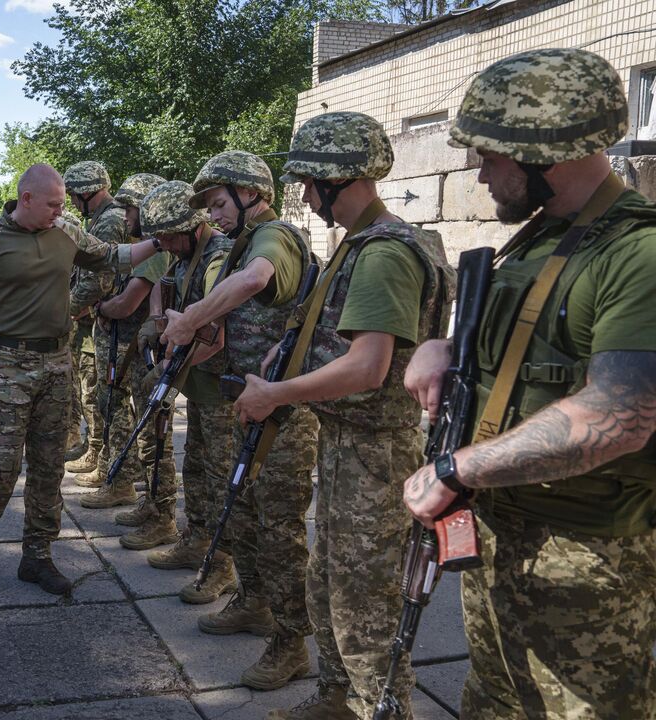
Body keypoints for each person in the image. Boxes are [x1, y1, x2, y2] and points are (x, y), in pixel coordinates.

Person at [403, 48, 656, 720]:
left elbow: (621, 416)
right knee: (493, 701)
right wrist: (445, 346)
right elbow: (528, 343)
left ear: (548, 151)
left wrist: (458, 469)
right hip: (498, 532)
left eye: (491, 153)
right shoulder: (539, 241)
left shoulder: (637, 254)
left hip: (583, 560)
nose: (478, 171)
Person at [235, 111, 454, 720]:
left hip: (373, 449)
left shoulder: (383, 253)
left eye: (310, 181)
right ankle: (338, 697)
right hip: (348, 440)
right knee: (330, 580)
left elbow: (367, 368)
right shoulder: (364, 244)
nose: (303, 193)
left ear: (340, 180)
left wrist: (275, 395)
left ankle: (380, 708)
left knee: (365, 597)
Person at [0, 163, 162, 595]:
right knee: (0, 465)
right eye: (54, 204)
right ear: (26, 199)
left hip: (58, 364)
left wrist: (161, 241)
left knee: (48, 467)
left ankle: (38, 555)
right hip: (6, 366)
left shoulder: (67, 232)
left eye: (64, 204)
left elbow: (113, 256)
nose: (61, 211)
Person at [160, 151, 320, 689]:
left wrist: (190, 322)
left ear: (251, 193)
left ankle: (292, 640)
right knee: (242, 515)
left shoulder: (274, 237)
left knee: (280, 530)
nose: (213, 214)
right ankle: (255, 602)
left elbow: (256, 281)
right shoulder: (237, 245)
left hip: (280, 413)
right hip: (245, 404)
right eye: (208, 206)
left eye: (218, 202)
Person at [133, 179, 243, 607]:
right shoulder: (183, 255)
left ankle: (222, 565)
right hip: (201, 384)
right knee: (196, 468)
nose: (161, 244)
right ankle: (197, 541)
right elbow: (166, 283)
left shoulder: (216, 257)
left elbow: (213, 334)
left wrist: (165, 371)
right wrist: (157, 318)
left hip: (221, 386)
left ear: (191, 226)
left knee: (220, 480)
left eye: (166, 235)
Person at [88, 172, 179, 548]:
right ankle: (152, 505)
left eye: (130, 208)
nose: (124, 216)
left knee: (155, 437)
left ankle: (162, 515)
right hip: (140, 352)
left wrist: (99, 306)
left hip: (148, 356)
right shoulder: (148, 248)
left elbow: (127, 304)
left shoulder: (157, 253)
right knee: (146, 430)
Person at [62, 160, 119, 482]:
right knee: (93, 391)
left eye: (73, 195)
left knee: (97, 392)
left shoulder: (108, 221)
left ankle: (103, 455)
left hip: (104, 320)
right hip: (95, 317)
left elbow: (100, 277)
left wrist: (66, 309)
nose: (71, 201)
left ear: (86, 192)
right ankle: (96, 449)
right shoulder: (102, 219)